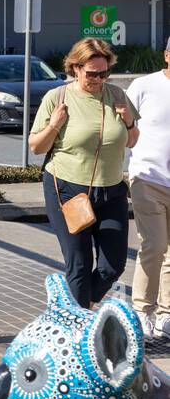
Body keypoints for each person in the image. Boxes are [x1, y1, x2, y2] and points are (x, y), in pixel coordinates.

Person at [28, 38, 139, 309]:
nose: (99, 79)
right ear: (76, 68)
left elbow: (132, 140)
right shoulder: (58, 98)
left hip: (111, 191)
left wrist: (127, 121)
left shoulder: (117, 95)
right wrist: (54, 125)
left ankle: (76, 309)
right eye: (92, 73)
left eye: (104, 73)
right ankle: (79, 327)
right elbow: (36, 147)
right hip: (68, 190)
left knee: (112, 266)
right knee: (79, 264)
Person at [126, 39, 170, 340]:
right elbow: (124, 127)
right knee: (154, 245)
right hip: (147, 178)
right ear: (167, 55)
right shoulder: (144, 86)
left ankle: (167, 316)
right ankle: (142, 310)